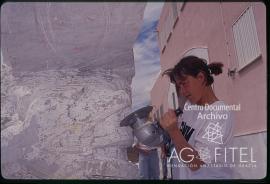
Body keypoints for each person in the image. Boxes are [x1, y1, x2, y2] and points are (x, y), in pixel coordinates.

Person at [160, 56, 234, 179]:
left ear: (201, 77)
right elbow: (185, 142)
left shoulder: (220, 113)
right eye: (179, 86)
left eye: (184, 84)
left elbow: (196, 163)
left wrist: (173, 131)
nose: (182, 91)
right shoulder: (190, 106)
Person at [132, 112, 160, 179]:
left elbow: (160, 139)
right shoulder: (138, 130)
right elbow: (134, 145)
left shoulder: (154, 126)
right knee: (144, 176)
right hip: (143, 154)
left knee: (155, 176)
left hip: (154, 153)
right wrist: (143, 151)